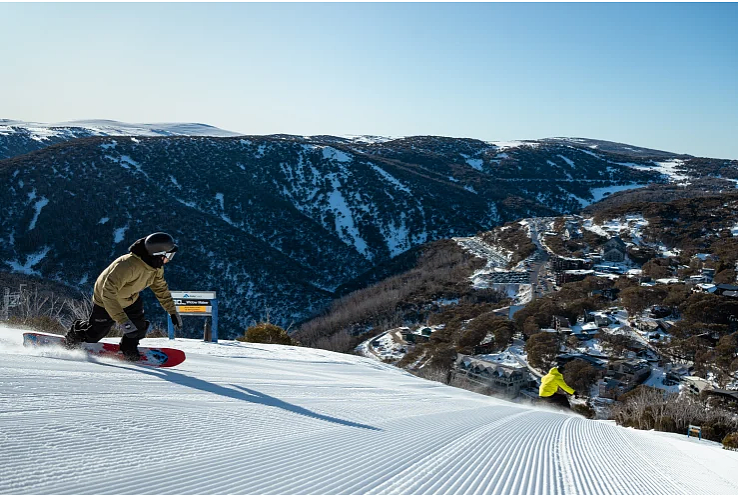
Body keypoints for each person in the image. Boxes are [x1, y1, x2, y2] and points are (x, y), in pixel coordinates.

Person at [65, 232, 184, 361]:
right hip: (106, 301)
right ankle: (75, 332)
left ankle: (128, 348)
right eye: (169, 256)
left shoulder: (155, 267)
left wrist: (172, 311)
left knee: (138, 328)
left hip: (130, 299)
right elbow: (108, 293)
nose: (169, 260)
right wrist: (123, 321)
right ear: (157, 255)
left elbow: (161, 289)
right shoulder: (127, 266)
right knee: (93, 335)